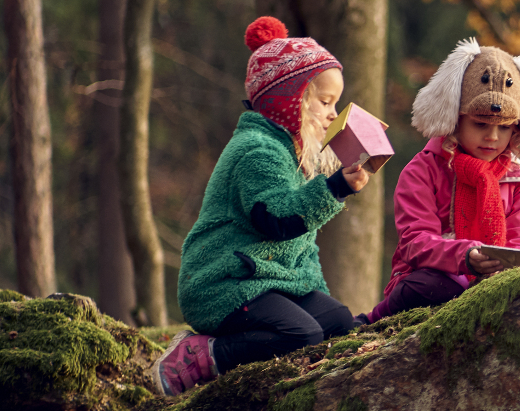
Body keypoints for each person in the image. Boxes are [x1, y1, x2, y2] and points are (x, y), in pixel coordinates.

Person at [151, 17, 368, 395]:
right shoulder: (257, 151)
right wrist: (334, 188)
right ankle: (204, 354)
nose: (334, 114)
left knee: (336, 321)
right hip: (225, 283)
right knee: (301, 335)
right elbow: (277, 219)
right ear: (290, 100)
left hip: (269, 280)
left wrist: (313, 289)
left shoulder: (297, 155)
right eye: (325, 102)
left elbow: (301, 243)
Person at [357, 38, 520, 324]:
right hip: (432, 278)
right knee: (433, 287)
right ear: (456, 119)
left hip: (497, 281)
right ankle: (373, 319)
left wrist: (501, 266)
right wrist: (467, 256)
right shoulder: (423, 169)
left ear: (518, 130)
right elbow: (415, 241)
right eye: (480, 124)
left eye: (504, 127)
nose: (492, 137)